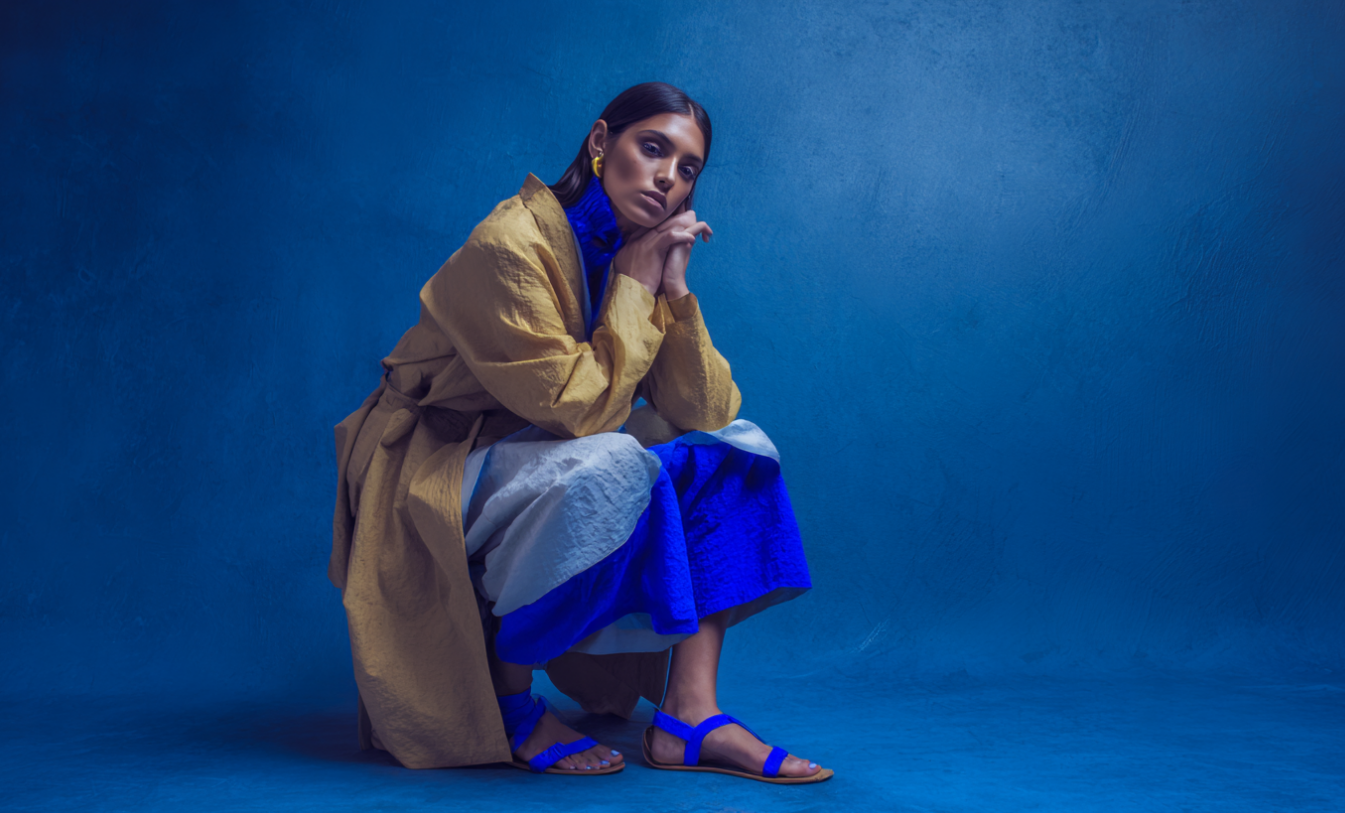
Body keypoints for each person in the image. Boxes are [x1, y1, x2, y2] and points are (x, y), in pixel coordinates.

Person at [329, 82, 830, 784]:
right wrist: (633, 285)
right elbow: (578, 413)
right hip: (437, 463)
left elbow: (706, 409)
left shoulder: (640, 250)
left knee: (734, 450)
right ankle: (508, 704)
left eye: (687, 168)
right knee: (614, 461)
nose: (667, 177)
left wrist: (673, 287)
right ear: (600, 143)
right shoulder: (510, 243)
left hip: (545, 449)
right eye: (651, 148)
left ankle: (690, 714)